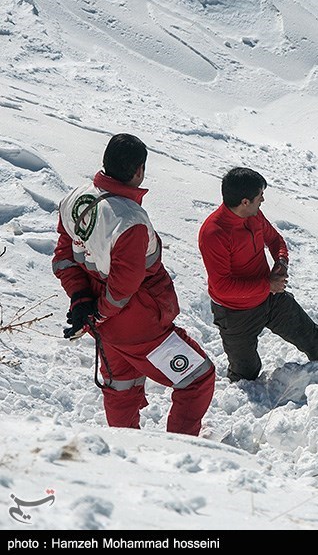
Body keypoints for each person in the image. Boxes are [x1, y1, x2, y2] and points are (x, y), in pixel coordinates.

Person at [52, 133, 215, 436]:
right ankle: (184, 449)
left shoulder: (75, 198)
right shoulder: (130, 220)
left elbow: (64, 257)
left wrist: (80, 300)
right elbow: (124, 287)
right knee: (197, 378)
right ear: (138, 170)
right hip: (136, 323)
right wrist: (98, 311)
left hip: (104, 322)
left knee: (121, 387)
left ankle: (125, 453)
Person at [198, 167, 318, 383]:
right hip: (236, 313)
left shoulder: (254, 216)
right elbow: (222, 286)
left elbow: (275, 241)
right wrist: (267, 285)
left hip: (270, 299)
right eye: (259, 196)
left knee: (313, 339)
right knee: (246, 372)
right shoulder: (214, 233)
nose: (263, 199)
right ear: (245, 201)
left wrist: (281, 262)